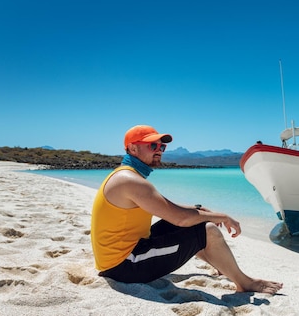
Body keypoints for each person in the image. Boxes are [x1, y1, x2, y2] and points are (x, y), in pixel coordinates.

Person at [90, 125, 283, 294]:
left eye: (162, 146)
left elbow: (169, 207)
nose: (159, 150)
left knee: (197, 219)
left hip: (121, 256)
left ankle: (222, 265)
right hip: (124, 266)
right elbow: (181, 219)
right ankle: (245, 283)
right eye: (153, 145)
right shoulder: (131, 181)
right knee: (206, 230)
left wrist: (199, 209)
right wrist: (222, 216)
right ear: (132, 148)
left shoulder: (126, 176)